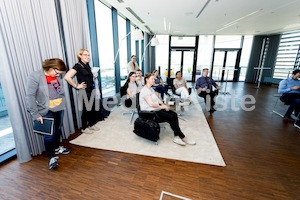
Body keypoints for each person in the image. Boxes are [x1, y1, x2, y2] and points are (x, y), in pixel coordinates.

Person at [26, 58, 70, 170]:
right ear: (50, 68)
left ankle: (56, 147)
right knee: (49, 134)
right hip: (44, 109)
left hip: (58, 106)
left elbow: (58, 89)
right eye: (57, 73)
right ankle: (52, 157)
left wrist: (61, 97)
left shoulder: (55, 76)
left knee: (58, 128)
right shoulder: (35, 76)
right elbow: (30, 96)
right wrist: (35, 114)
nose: (58, 75)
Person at [139, 73, 196, 146]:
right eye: (152, 79)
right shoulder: (145, 90)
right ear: (147, 80)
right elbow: (151, 104)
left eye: (154, 78)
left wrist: (163, 104)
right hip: (150, 113)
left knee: (174, 114)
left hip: (155, 109)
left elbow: (157, 99)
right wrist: (162, 107)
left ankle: (177, 136)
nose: (154, 80)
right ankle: (183, 137)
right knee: (171, 118)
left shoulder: (150, 89)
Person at [64, 49, 103, 134]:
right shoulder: (78, 66)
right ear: (80, 56)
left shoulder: (87, 65)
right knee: (86, 110)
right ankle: (84, 128)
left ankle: (91, 124)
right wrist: (77, 86)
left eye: (88, 55)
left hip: (91, 90)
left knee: (91, 109)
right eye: (85, 55)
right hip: (84, 91)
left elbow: (87, 77)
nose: (87, 57)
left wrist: (93, 76)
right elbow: (67, 77)